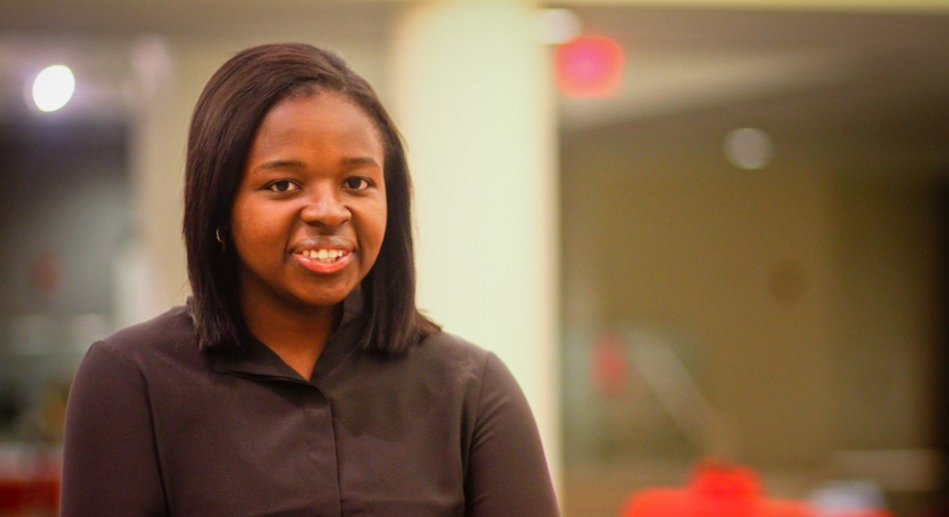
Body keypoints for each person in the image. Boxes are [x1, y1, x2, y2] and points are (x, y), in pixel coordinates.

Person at [60, 43, 559, 517]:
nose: (327, 210)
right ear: (219, 203)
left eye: (356, 183)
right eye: (283, 185)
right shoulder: (130, 380)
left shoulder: (472, 388)